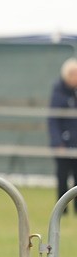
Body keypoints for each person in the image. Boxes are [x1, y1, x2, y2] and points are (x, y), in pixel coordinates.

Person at [48, 58, 77, 213]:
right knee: (62, 177)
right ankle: (62, 211)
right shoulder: (58, 92)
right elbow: (53, 119)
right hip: (63, 144)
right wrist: (57, 142)